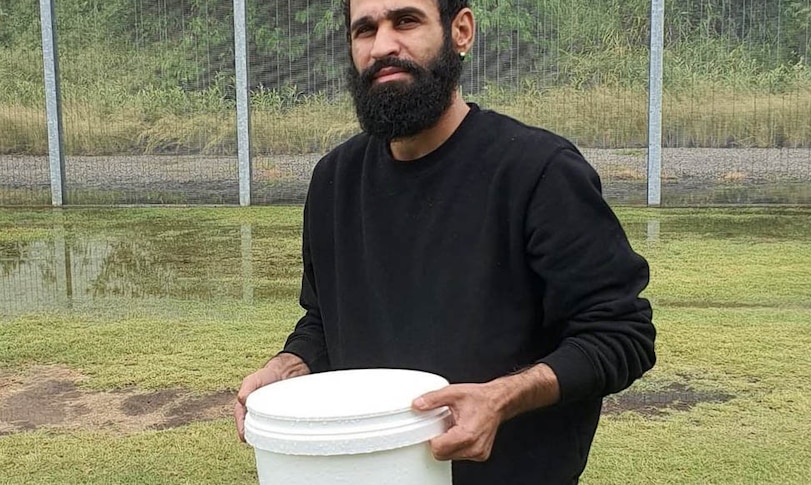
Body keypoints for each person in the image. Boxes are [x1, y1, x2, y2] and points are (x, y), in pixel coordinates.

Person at [234, 0, 657, 483]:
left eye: (407, 21)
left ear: (461, 31)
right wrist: (289, 366)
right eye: (365, 30)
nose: (383, 45)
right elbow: (323, 321)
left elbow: (620, 334)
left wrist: (500, 398)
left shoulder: (537, 171)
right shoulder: (335, 180)